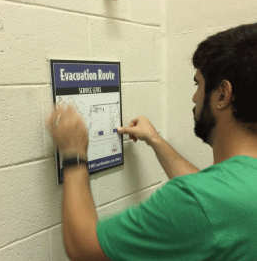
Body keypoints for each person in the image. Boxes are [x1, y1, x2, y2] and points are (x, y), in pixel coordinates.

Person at [46, 23, 257, 260]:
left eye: (198, 84)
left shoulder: (201, 201)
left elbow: (84, 248)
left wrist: (74, 152)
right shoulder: (232, 190)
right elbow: (214, 196)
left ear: (222, 95)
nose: (194, 97)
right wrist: (155, 140)